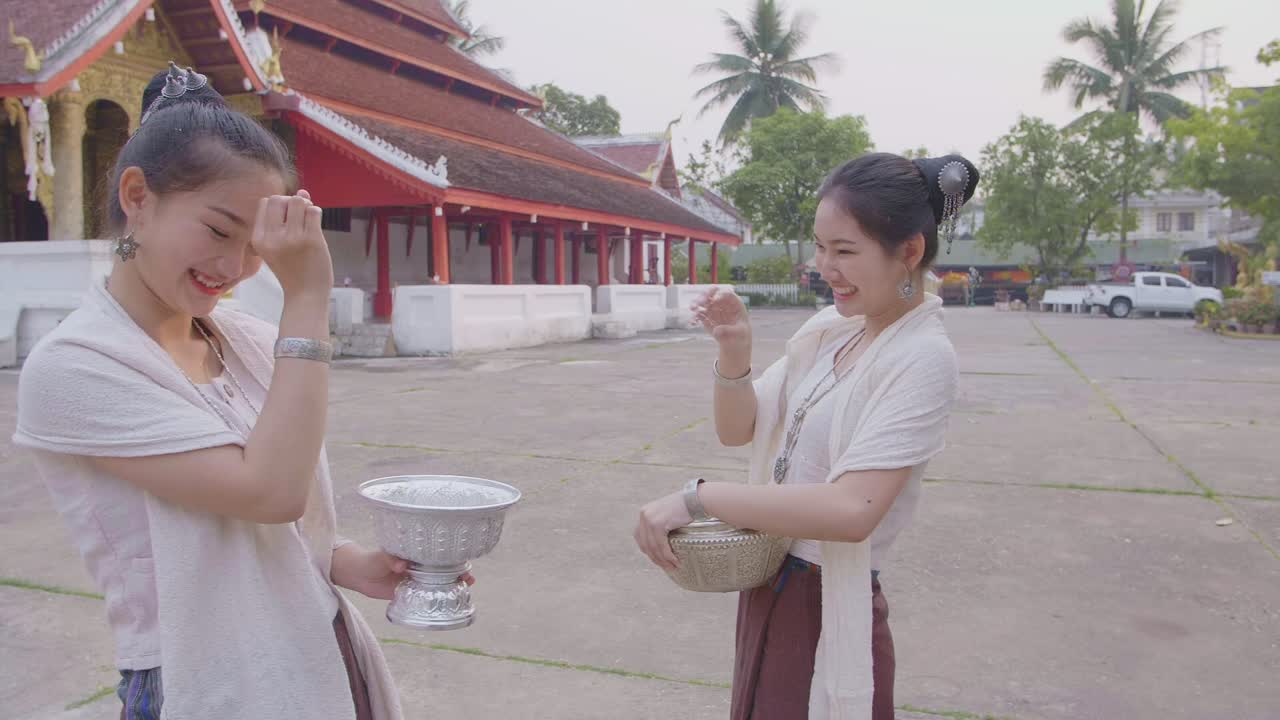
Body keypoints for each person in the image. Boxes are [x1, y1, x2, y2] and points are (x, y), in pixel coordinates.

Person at [12, 64, 417, 719]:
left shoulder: (246, 340)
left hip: (319, 650)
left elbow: (260, 518)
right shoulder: (76, 366)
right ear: (137, 197)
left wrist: (344, 560)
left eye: (256, 245)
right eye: (218, 230)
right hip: (204, 678)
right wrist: (308, 295)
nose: (233, 269)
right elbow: (269, 491)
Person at [634, 152, 979, 719]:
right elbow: (737, 429)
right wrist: (735, 351)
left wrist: (696, 498)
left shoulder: (921, 357)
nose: (825, 266)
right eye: (821, 247)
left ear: (910, 252)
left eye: (845, 251)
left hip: (826, 600)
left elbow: (852, 510)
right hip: (769, 584)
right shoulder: (830, 333)